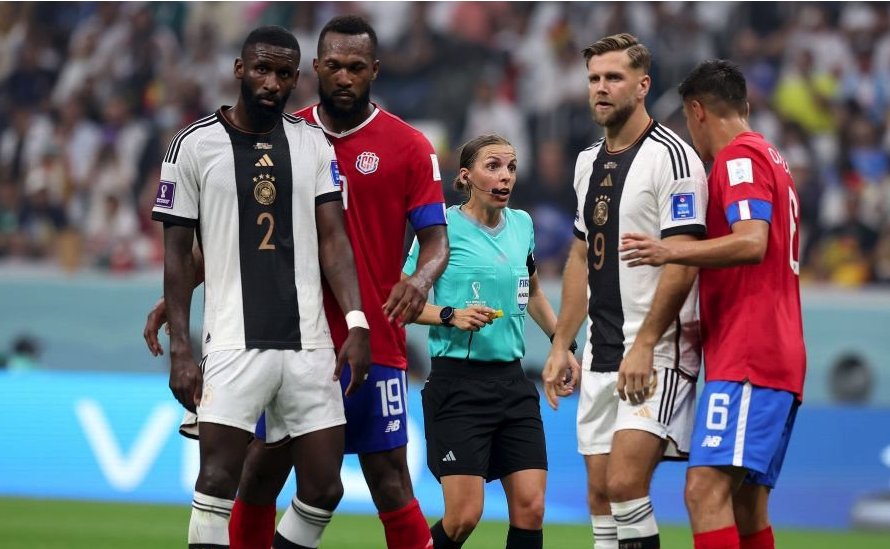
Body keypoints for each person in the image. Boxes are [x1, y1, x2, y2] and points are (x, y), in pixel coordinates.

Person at [144, 16, 448, 549]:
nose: (345, 77)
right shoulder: (284, 134)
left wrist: (420, 278)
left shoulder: (407, 145)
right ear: (316, 69)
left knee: (388, 480)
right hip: (282, 334)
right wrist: (174, 300)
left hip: (368, 338)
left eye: (357, 67)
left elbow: (435, 242)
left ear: (374, 70)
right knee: (257, 476)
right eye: (333, 66)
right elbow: (240, 234)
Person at [619, 59, 807, 549]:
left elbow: (751, 242)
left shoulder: (738, 160)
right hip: (776, 354)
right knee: (746, 506)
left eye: (686, 120)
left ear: (697, 111)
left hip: (750, 356)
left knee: (703, 490)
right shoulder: (773, 158)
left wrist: (670, 248)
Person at [541, 33, 707, 549]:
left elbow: (683, 263)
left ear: (642, 86)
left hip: (655, 350)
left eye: (613, 77)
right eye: (594, 78)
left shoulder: (673, 159)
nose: (601, 88)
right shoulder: (587, 161)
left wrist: (644, 344)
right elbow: (577, 255)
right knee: (598, 495)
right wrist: (562, 343)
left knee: (624, 485)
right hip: (600, 350)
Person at [404, 134, 578, 549]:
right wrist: (449, 315)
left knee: (532, 508)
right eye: (494, 166)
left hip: (513, 385)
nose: (505, 177)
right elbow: (403, 301)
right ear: (466, 176)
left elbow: (533, 291)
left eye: (512, 168)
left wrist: (563, 346)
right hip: (458, 386)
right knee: (464, 517)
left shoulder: (523, 225)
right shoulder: (440, 228)